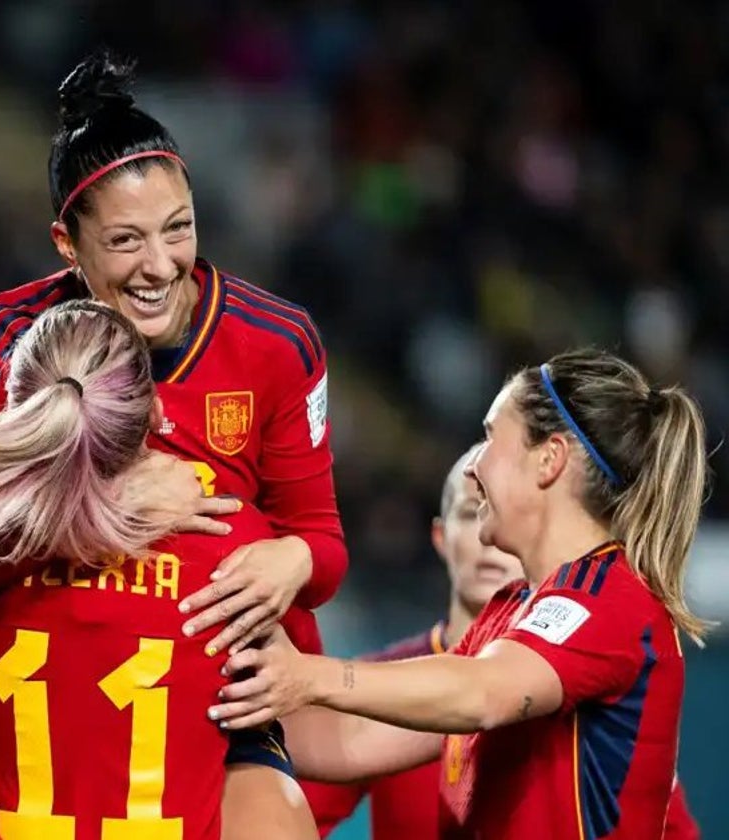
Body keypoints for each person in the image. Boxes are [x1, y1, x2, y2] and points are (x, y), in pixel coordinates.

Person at [0, 49, 349, 835]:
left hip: (214, 696)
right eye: (124, 241)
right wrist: (104, 504)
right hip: (26, 687)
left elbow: (322, 542)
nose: (160, 266)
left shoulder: (278, 342)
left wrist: (297, 559)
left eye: (178, 229)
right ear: (65, 245)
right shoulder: (1, 340)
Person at [0, 300, 319, 840]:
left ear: (18, 412)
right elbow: (293, 682)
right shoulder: (233, 537)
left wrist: (62, 530)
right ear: (155, 415)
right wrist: (302, 554)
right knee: (270, 787)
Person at [207, 348, 708, 839]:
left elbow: (483, 693)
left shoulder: (608, 596)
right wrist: (216, 691)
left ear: (549, 459)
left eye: (491, 436)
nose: (474, 468)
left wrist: (312, 675)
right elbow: (350, 743)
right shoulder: (508, 612)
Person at [319, 445, 701, 838]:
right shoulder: (386, 681)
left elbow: (481, 692)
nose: (486, 540)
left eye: (495, 508)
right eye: (471, 511)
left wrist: (310, 677)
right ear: (440, 536)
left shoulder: (594, 642)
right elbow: (313, 780)